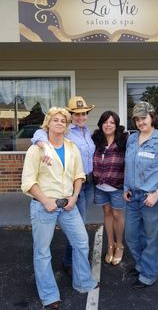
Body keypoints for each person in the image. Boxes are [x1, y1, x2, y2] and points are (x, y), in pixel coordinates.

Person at [21, 107, 97, 310]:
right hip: (44, 206)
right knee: (43, 251)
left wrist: (74, 196)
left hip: (68, 204)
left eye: (63, 121)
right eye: (56, 120)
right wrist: (46, 201)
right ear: (48, 123)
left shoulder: (72, 147)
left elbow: (79, 174)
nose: (60, 123)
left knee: (81, 242)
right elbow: (28, 182)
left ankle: (83, 282)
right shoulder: (36, 149)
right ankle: (49, 295)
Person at [31, 96, 95, 274]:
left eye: (84, 113)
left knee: (80, 225)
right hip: (70, 184)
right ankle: (69, 262)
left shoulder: (86, 131)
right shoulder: (66, 129)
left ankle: (75, 262)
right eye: (76, 114)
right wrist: (45, 146)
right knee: (77, 227)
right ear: (71, 115)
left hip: (87, 182)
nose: (80, 117)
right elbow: (40, 133)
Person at [124, 101, 158, 289]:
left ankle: (148, 274)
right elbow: (129, 166)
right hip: (133, 196)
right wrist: (126, 188)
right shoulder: (131, 139)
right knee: (131, 236)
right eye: (136, 119)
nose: (140, 122)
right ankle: (142, 264)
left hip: (151, 197)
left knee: (152, 237)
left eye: (143, 118)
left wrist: (156, 194)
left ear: (153, 117)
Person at [92, 111, 128, 265]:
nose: (108, 125)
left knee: (117, 215)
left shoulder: (124, 140)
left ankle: (119, 245)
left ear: (116, 125)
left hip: (117, 186)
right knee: (107, 213)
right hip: (100, 186)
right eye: (105, 122)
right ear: (101, 124)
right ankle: (110, 244)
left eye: (112, 122)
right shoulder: (95, 140)